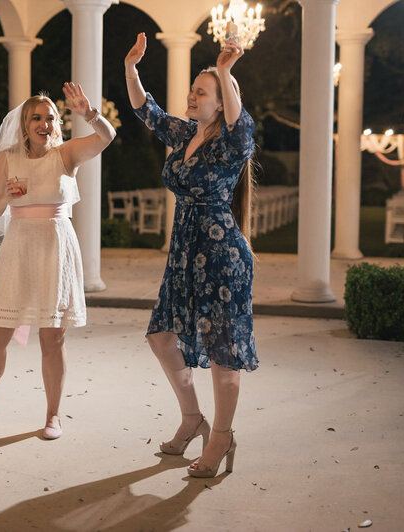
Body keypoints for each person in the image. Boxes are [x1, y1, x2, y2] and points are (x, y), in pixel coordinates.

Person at [124, 32, 259, 478]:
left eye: (201, 92)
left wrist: (225, 71)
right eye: (193, 90)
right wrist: (131, 69)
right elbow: (147, 110)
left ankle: (221, 436)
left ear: (220, 102)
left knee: (223, 353)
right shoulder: (186, 135)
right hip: (184, 254)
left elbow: (240, 124)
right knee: (161, 336)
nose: (191, 96)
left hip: (221, 255)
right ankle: (191, 419)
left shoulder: (232, 141)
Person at [0, 83, 116, 439]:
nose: (44, 123)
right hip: (18, 247)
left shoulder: (66, 155)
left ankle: (53, 416)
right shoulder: (7, 159)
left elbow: (106, 137)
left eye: (50, 117)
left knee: (52, 338)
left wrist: (90, 113)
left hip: (56, 247)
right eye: (37, 118)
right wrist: (6, 195)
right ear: (25, 124)